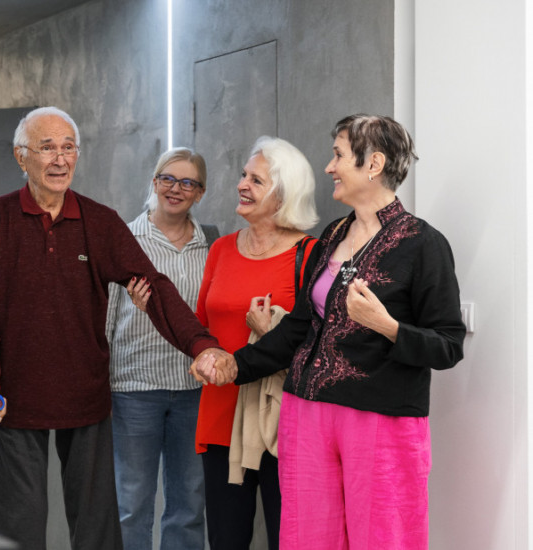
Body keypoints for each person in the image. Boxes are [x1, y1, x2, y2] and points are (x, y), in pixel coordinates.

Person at [0, 106, 222, 550]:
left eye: (69, 147)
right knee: (20, 523)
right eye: (47, 148)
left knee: (97, 527)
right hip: (13, 397)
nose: (60, 159)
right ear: (21, 156)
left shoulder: (99, 222)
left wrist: (200, 345)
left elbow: (153, 287)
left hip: (85, 395)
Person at [194, 114, 466, 550]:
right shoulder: (333, 234)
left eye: (338, 155)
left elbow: (448, 344)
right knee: (306, 538)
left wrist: (387, 326)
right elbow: (300, 327)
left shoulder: (422, 243)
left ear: (373, 164)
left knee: (382, 539)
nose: (329, 167)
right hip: (306, 411)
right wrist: (235, 365)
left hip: (379, 418)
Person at [194, 136, 319, 549]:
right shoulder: (221, 249)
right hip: (220, 415)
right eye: (243, 175)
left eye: (256, 180)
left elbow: (322, 341)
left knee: (290, 539)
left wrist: (269, 334)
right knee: (225, 540)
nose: (242, 185)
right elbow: (202, 327)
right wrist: (202, 355)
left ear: (284, 194)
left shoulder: (312, 254)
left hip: (284, 424)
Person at [105, 147, 209, 550]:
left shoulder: (212, 246)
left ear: (200, 192)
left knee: (189, 505)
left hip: (194, 392)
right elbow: (106, 320)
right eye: (167, 178)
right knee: (131, 505)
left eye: (187, 182)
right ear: (154, 182)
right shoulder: (124, 241)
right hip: (134, 390)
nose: (175, 189)